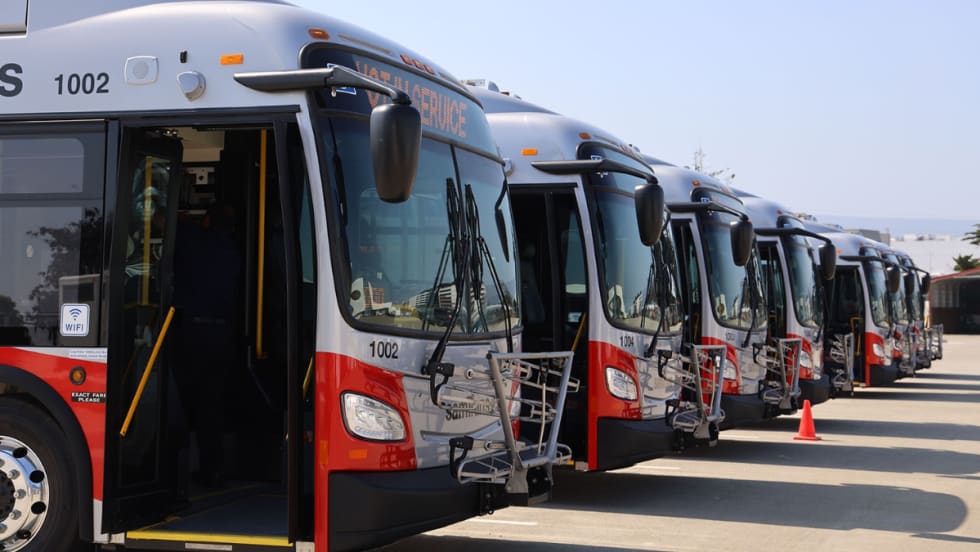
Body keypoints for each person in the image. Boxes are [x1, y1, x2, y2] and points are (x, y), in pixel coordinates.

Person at [173, 203, 241, 486]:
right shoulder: (235, 253)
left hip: (190, 333)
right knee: (210, 405)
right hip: (222, 335)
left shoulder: (193, 241)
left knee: (179, 401)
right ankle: (211, 467)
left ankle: (173, 470)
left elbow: (168, 223)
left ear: (208, 221)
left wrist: (185, 216)